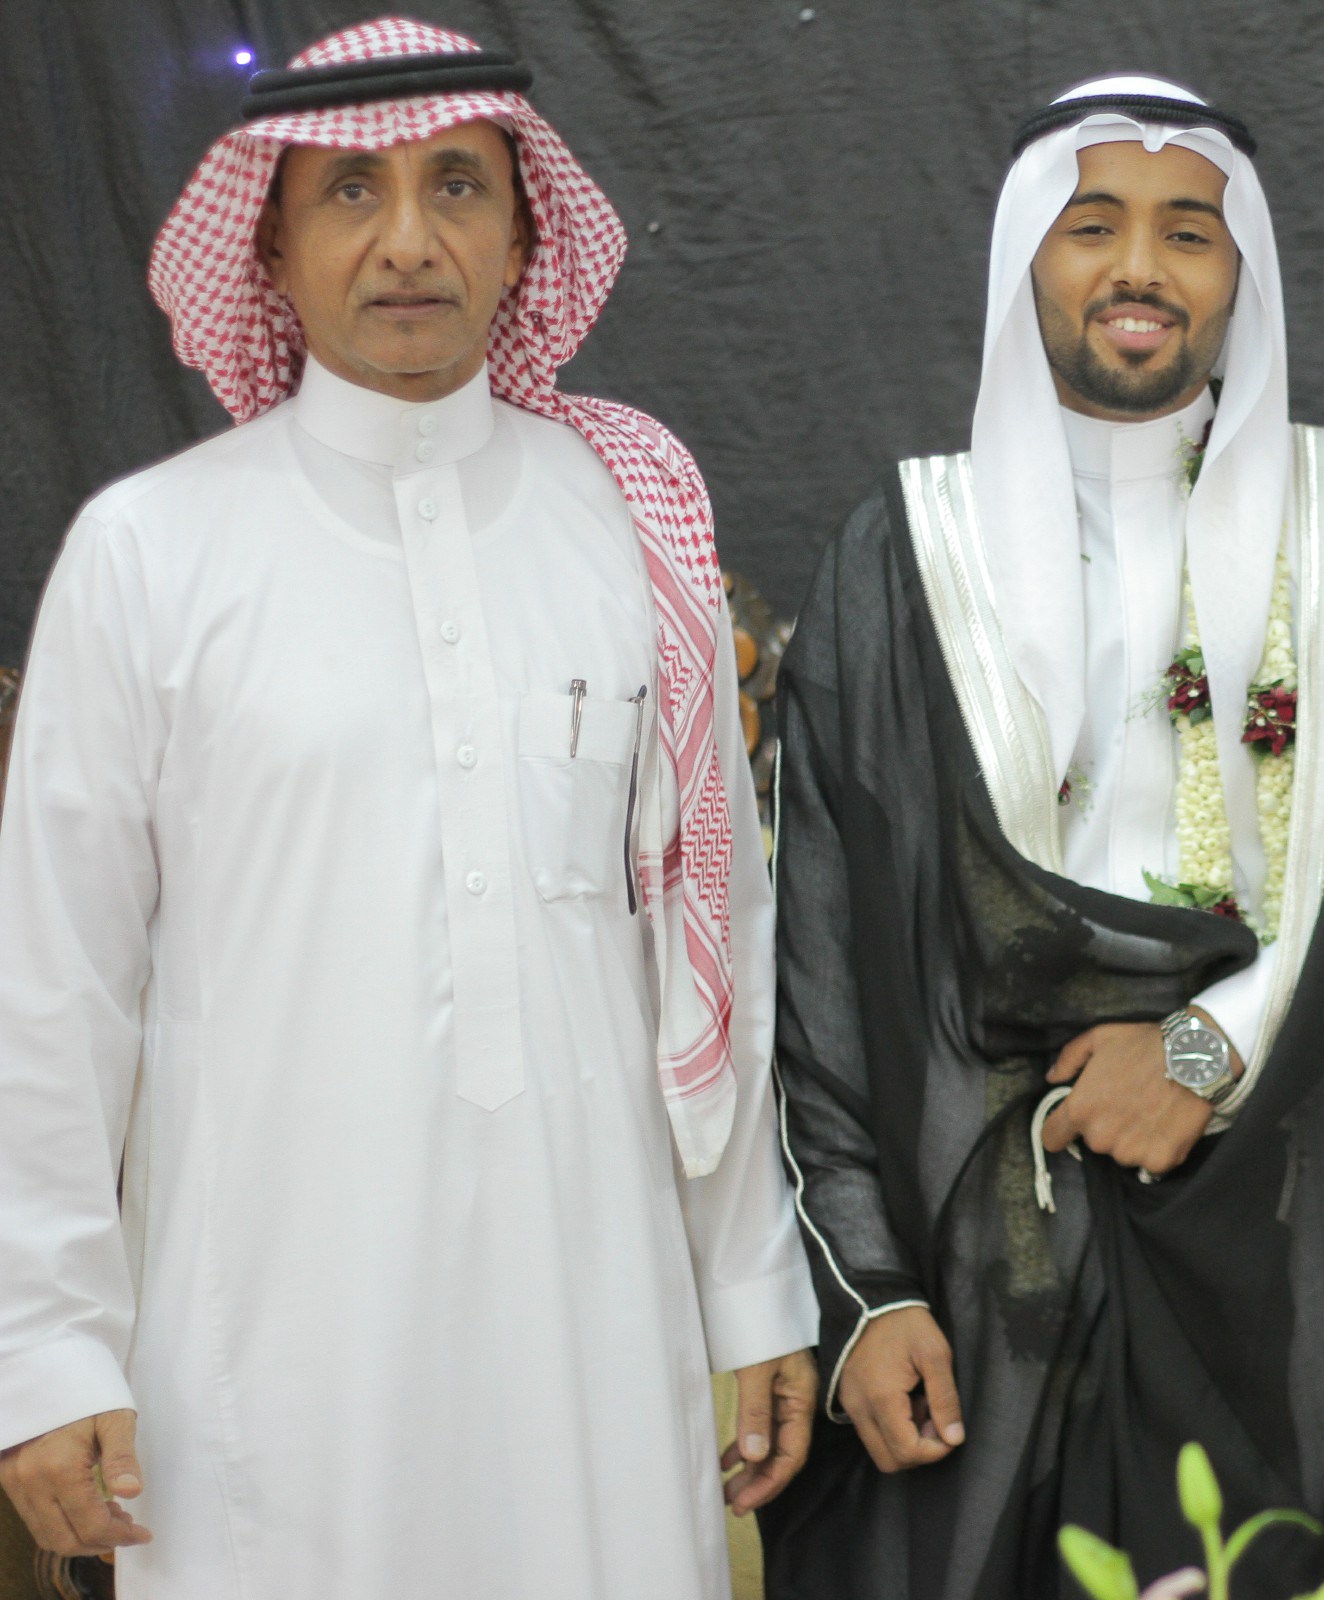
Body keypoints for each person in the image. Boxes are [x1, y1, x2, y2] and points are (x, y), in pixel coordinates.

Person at [0, 21, 819, 1597]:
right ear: (269, 245)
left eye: (457, 185)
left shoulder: (625, 526)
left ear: (524, 232)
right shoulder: (150, 553)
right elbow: (52, 996)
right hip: (263, 1349)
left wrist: (753, 1287)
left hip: (595, 1325)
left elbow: (711, 949)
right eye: (350, 192)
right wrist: (43, 1348)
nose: (407, 241)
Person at [762, 75, 1324, 1599]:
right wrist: (866, 1291)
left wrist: (1202, 1052)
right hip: (989, 1250)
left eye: (1189, 231)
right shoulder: (903, 552)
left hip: (1300, 1224)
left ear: (1241, 273)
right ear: (1024, 262)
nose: (1139, 269)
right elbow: (823, 969)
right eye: (1092, 225)